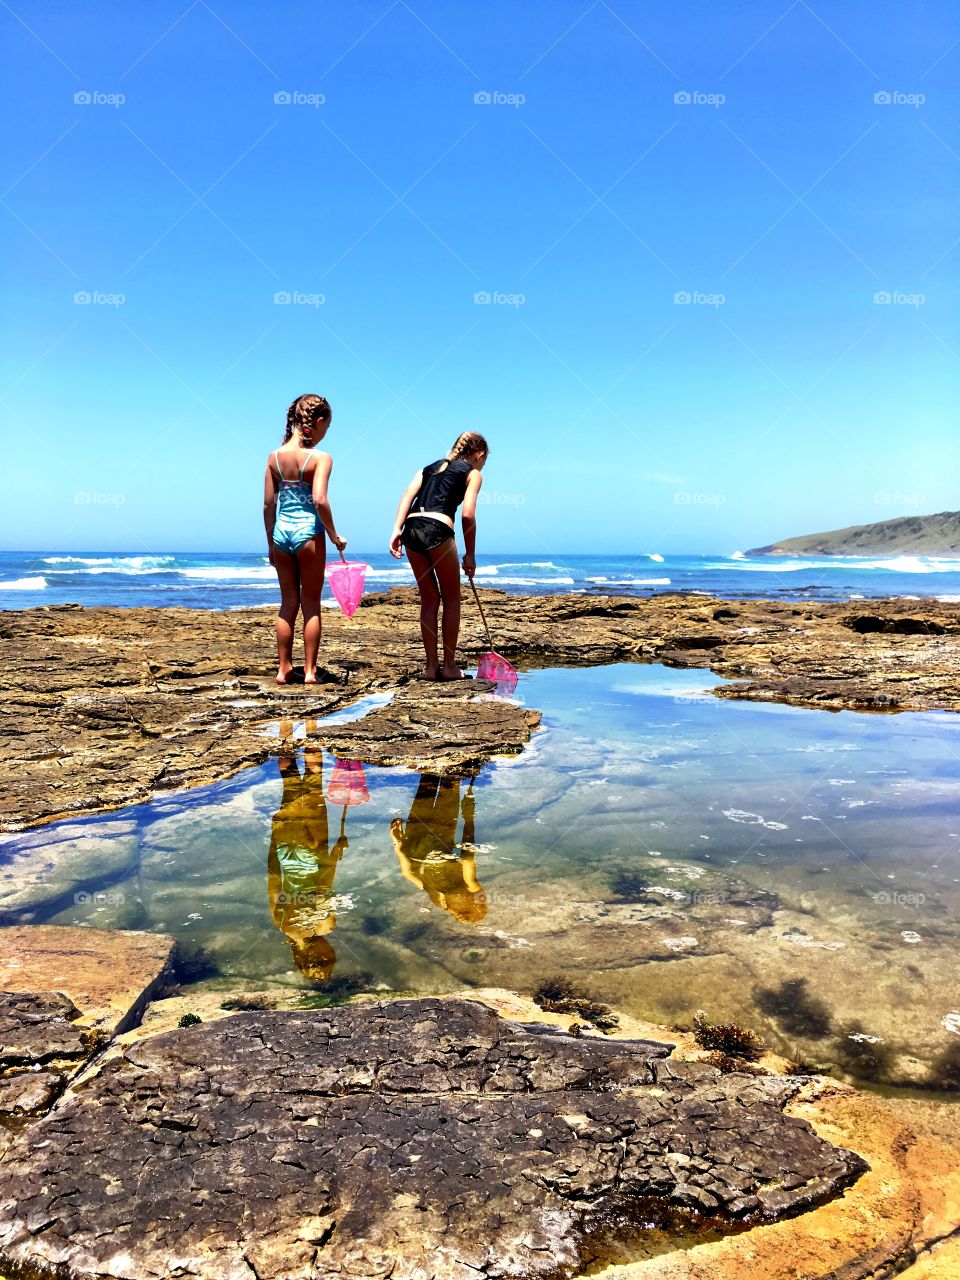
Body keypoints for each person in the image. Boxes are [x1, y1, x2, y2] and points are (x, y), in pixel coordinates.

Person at [388, 431, 488, 681]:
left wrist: (396, 530)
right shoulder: (473, 473)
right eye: (484, 461)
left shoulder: (428, 468)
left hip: (411, 529)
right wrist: (470, 554)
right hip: (438, 529)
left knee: (429, 599)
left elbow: (407, 496)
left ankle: (431, 668)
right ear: (479, 455)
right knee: (452, 599)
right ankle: (449, 666)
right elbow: (467, 514)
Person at [263, 394, 347, 685]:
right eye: (327, 427)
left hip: (280, 535)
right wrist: (334, 535)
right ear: (318, 421)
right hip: (309, 534)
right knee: (311, 603)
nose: (325, 433)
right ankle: (310, 671)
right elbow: (320, 500)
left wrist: (270, 543)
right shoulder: (321, 458)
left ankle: (284, 669)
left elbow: (268, 505)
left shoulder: (274, 458)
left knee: (288, 602)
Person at [267, 730, 351, 982]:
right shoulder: (282, 926)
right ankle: (286, 725)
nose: (330, 950)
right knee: (289, 783)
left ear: (322, 953)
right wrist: (274, 842)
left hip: (313, 851)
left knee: (313, 780)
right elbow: (273, 879)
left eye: (328, 955)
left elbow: (324, 882)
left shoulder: (325, 926)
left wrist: (335, 852)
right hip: (286, 851)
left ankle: (311, 725)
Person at [390, 773, 486, 924]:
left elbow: (409, 873)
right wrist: (399, 846)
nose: (456, 911)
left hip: (427, 838)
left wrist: (397, 844)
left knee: (437, 786)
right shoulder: (465, 885)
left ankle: (441, 765)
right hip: (422, 839)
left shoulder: (438, 895)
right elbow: (409, 873)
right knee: (434, 786)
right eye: (463, 910)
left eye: (458, 913)